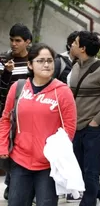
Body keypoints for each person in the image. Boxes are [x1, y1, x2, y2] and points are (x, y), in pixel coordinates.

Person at [0, 43, 77, 206]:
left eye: (50, 60)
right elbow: (6, 119)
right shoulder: (18, 88)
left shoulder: (62, 91)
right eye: (41, 60)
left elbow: (69, 127)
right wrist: (2, 146)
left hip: (48, 164)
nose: (47, 64)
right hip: (19, 161)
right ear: (30, 64)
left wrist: (56, 153)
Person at [69, 31, 100, 206]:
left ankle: (89, 202)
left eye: (75, 43)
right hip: (76, 127)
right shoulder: (75, 66)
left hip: (95, 128)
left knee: (91, 169)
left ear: (83, 48)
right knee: (80, 168)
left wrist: (96, 121)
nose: (72, 45)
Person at [1, 23, 32, 200]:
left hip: (29, 113)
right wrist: (6, 73)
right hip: (8, 113)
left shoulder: (33, 60)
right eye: (12, 40)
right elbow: (1, 89)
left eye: (18, 41)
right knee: (10, 149)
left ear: (27, 42)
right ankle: (11, 183)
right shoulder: (3, 60)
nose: (14, 44)